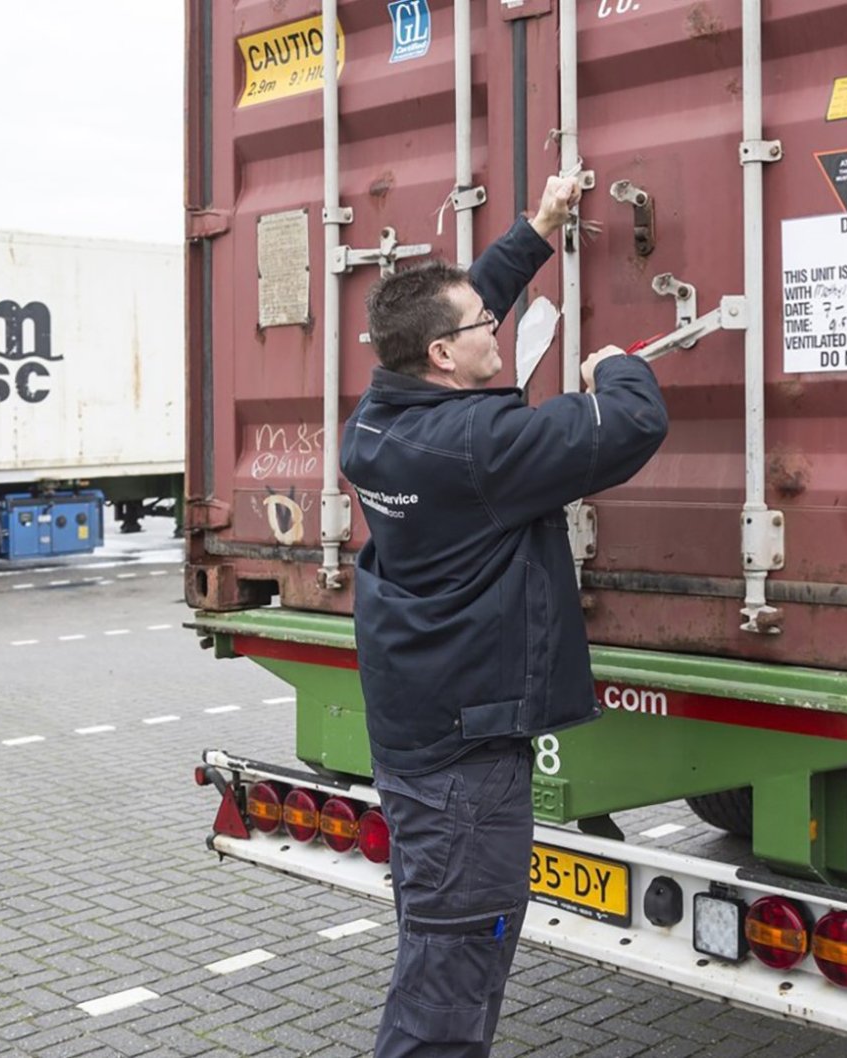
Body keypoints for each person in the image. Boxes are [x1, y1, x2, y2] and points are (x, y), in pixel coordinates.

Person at [341, 173, 669, 1058]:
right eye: (487, 328)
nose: (499, 327)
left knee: (438, 945)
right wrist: (615, 369)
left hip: (420, 741)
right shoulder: (480, 449)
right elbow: (632, 425)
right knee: (453, 974)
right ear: (445, 357)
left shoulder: (375, 420)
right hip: (467, 768)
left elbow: (459, 310)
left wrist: (534, 232)